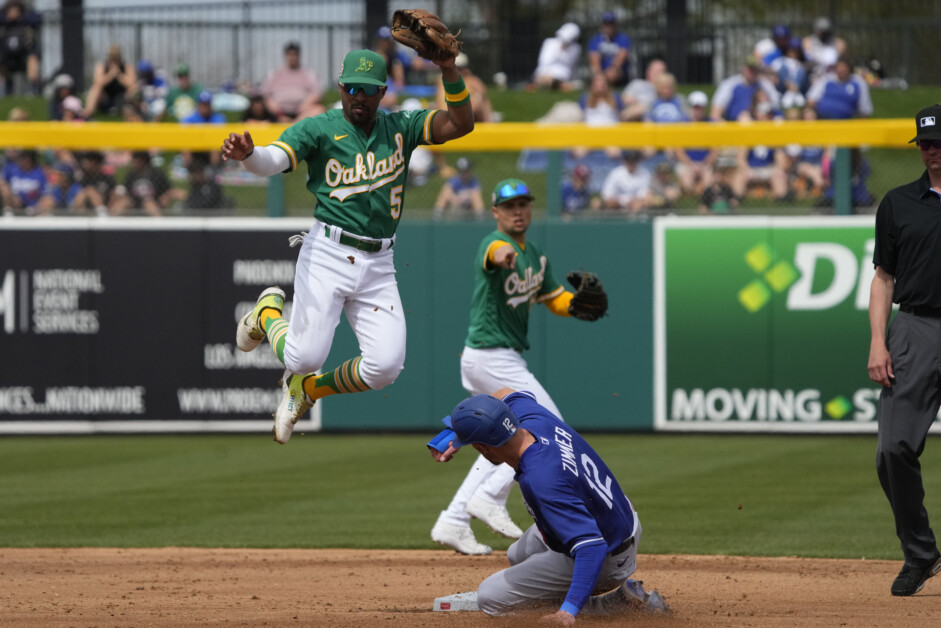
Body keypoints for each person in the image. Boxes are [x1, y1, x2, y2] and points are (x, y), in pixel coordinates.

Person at [221, 48, 474, 444]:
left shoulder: (401, 127)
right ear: (340, 87)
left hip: (379, 261)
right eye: (352, 87)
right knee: (303, 358)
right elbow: (274, 159)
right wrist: (249, 155)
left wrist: (447, 69)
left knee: (385, 367)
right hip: (328, 253)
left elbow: (461, 124)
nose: (359, 95)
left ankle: (305, 390)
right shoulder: (320, 128)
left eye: (369, 89)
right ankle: (266, 314)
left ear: (383, 92)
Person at [430, 178, 606, 555]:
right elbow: (494, 253)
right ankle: (491, 496)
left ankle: (454, 519)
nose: (518, 211)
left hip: (496, 358)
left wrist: (575, 305)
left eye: (523, 204)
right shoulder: (495, 245)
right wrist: (503, 257)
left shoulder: (537, 256)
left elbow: (554, 298)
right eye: (509, 206)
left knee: (497, 437)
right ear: (496, 212)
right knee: (547, 429)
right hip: (491, 355)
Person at [428, 390, 669, 621]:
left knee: (490, 598)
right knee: (517, 554)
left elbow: (591, 547)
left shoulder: (541, 479)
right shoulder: (531, 416)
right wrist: (459, 430)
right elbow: (505, 392)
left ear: (482, 447)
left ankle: (613, 604)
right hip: (620, 517)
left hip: (607, 554)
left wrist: (568, 611)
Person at [868, 104, 941, 597]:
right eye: (926, 144)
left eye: (939, 142)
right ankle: (920, 554)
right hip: (915, 328)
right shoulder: (898, 202)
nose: (932, 151)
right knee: (891, 450)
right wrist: (878, 339)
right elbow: (884, 277)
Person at [262, 41, 325, 122]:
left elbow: (317, 92)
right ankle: (293, 125)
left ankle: (294, 124)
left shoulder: (308, 74)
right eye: (290, 54)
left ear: (299, 55)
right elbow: (266, 95)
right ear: (286, 55)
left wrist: (306, 104)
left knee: (319, 110)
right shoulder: (275, 73)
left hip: (301, 113)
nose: (292, 57)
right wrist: (278, 112)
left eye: (295, 54)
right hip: (278, 114)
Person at [710, 55, 780, 122]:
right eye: (750, 68)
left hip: (762, 125)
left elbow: (776, 109)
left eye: (755, 69)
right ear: (743, 68)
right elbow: (715, 114)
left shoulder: (765, 85)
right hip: (736, 127)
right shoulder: (730, 84)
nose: (752, 71)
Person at [675, 90, 716, 196]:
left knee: (708, 180)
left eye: (700, 107)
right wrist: (691, 165)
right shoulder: (683, 125)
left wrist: (705, 164)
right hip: (687, 163)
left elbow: (715, 149)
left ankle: (704, 202)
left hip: (706, 163)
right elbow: (679, 150)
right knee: (687, 181)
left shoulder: (711, 125)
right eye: (695, 107)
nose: (698, 110)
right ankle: (694, 201)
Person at [806, 57, 873, 120]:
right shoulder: (827, 80)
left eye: (843, 67)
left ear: (849, 68)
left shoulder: (858, 83)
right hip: (821, 117)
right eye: (839, 67)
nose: (841, 70)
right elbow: (811, 99)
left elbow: (864, 111)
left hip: (843, 120)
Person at [434, 52, 494, 123]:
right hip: (451, 116)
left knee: (481, 100)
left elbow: (482, 101)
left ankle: (488, 127)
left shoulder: (473, 82)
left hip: (468, 117)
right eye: (456, 68)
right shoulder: (442, 81)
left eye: (460, 68)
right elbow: (441, 106)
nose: (458, 71)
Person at [111, 151, 173, 217]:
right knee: (122, 202)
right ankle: (109, 223)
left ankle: (159, 224)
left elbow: (169, 189)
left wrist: (166, 196)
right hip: (135, 202)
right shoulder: (131, 175)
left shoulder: (156, 173)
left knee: (148, 203)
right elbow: (125, 190)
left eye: (136, 161)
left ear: (143, 161)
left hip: (153, 201)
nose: (133, 164)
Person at [83, 45, 137, 118]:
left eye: (116, 58)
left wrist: (118, 74)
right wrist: (110, 74)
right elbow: (98, 83)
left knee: (134, 89)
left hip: (122, 98)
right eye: (112, 58)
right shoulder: (102, 66)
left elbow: (132, 84)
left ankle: (136, 114)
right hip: (105, 99)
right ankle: (87, 114)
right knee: (95, 88)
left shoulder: (127, 67)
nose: (114, 60)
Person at [0, 0, 40, 96]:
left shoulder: (26, 18)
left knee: (32, 59)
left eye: (16, 11)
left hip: (23, 55)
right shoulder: (3, 20)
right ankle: (5, 91)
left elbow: (37, 19)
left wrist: (21, 18)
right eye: (11, 11)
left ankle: (32, 89)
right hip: (6, 56)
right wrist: (8, 19)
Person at [0, 149, 53, 216]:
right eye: (22, 157)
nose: (25, 160)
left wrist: (39, 204)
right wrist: (12, 195)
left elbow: (46, 193)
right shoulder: (12, 169)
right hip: (15, 202)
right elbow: (2, 182)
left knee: (49, 200)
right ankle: (8, 211)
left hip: (34, 205)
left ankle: (38, 216)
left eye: (28, 158)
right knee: (4, 189)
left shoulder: (39, 172)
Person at [532, 22, 582, 92]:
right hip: (545, 72)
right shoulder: (549, 43)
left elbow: (571, 67)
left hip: (562, 75)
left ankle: (549, 84)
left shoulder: (576, 49)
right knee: (544, 78)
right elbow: (544, 62)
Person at [587, 11, 631, 88]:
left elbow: (621, 56)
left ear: (615, 24)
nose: (608, 27)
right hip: (601, 71)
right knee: (595, 74)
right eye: (606, 24)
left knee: (614, 74)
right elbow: (594, 58)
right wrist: (599, 74)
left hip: (617, 71)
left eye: (611, 24)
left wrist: (613, 69)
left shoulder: (622, 38)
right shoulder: (595, 39)